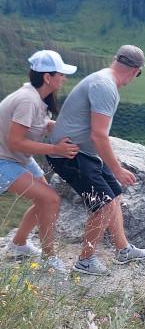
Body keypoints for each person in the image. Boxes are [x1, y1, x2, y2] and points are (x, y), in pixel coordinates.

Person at [47, 45, 145, 275]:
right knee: (103, 205)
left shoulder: (101, 79)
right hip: (70, 155)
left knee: (114, 194)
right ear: (135, 71)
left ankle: (123, 249)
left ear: (116, 60)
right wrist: (116, 168)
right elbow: (98, 134)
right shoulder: (106, 87)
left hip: (82, 152)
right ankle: (85, 261)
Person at [0, 50, 79, 271]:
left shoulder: (36, 98)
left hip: (17, 158)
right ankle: (49, 258)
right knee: (51, 199)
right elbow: (16, 141)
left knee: (44, 201)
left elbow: (41, 125)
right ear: (47, 77)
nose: (64, 78)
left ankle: (18, 244)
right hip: (5, 160)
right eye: (61, 74)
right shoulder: (27, 101)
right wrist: (56, 149)